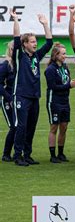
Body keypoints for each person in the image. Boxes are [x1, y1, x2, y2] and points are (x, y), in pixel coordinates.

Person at [10, 10, 53, 166]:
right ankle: (17, 155)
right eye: (32, 41)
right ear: (25, 44)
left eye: (35, 41)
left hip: (34, 96)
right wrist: (15, 20)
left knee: (31, 127)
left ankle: (27, 155)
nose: (35, 44)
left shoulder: (35, 56)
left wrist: (45, 24)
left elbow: (49, 44)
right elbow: (16, 39)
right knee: (21, 126)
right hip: (21, 95)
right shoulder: (19, 55)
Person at [45, 43, 75, 163]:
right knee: (54, 127)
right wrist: (68, 86)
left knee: (64, 127)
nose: (65, 56)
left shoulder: (65, 67)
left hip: (65, 101)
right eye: (63, 54)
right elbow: (53, 86)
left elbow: (66, 82)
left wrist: (71, 83)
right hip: (54, 101)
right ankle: (52, 155)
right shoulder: (50, 69)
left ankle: (61, 153)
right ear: (56, 55)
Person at [0, 42, 15, 162]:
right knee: (13, 126)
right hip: (7, 99)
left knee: (20, 126)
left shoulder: (21, 64)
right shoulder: (6, 65)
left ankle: (19, 152)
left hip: (19, 99)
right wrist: (9, 98)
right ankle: (6, 153)